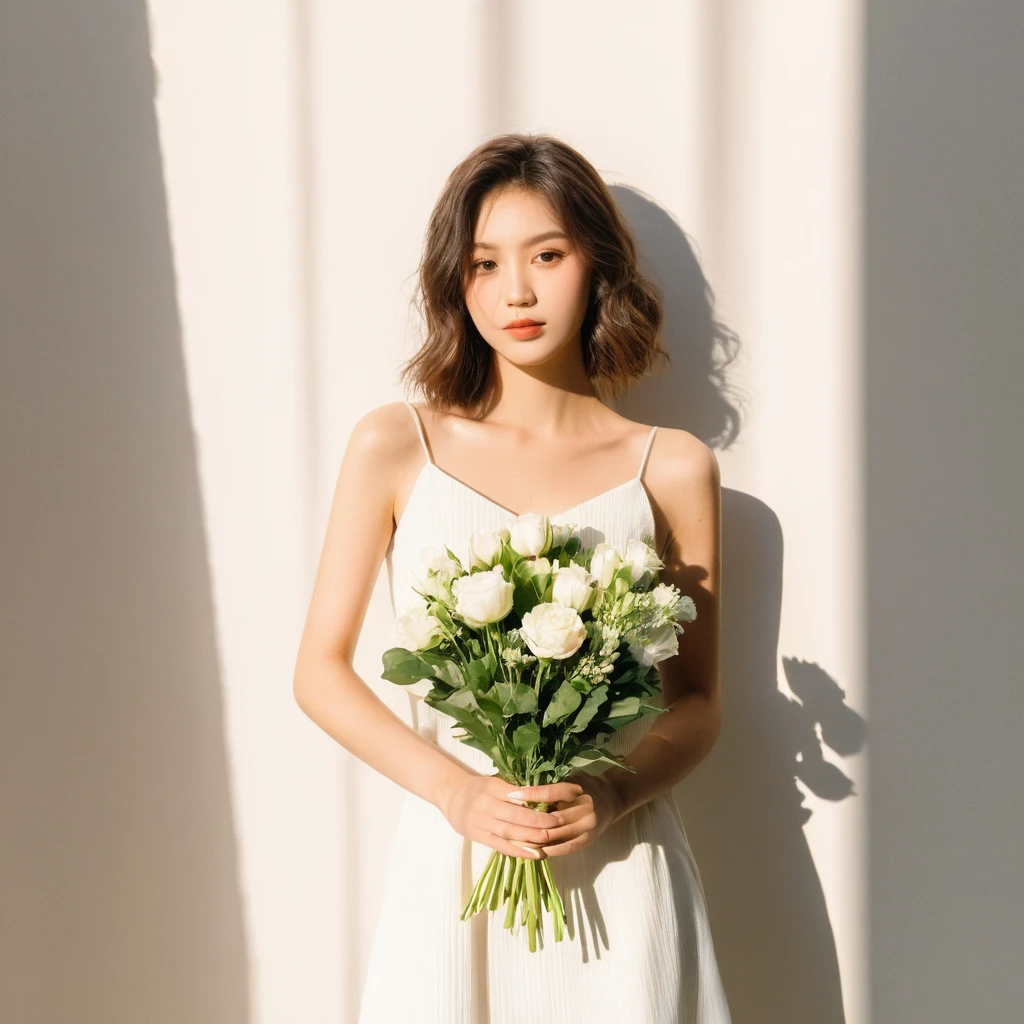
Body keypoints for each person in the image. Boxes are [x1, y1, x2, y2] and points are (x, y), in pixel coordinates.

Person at [293, 132, 731, 1023]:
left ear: (595, 266)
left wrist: (612, 792)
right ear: (458, 282)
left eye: (547, 255)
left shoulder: (672, 466)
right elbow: (319, 671)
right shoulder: (396, 444)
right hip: (455, 863)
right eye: (485, 263)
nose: (517, 291)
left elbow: (696, 701)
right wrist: (456, 791)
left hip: (622, 870)